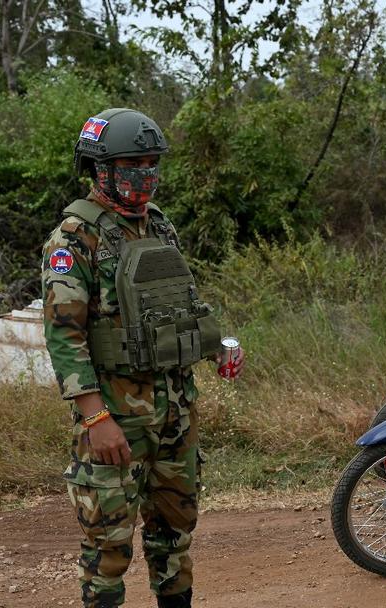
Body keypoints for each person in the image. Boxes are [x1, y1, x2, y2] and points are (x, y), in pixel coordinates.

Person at [43, 108, 243, 608]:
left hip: (175, 408)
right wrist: (96, 417)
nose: (145, 174)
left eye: (152, 163)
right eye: (134, 162)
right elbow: (64, 335)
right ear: (101, 168)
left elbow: (181, 302)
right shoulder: (73, 238)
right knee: (108, 545)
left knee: (174, 536)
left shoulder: (157, 224)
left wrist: (216, 344)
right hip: (116, 414)